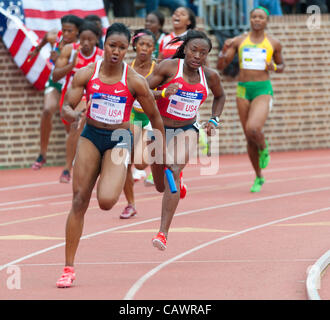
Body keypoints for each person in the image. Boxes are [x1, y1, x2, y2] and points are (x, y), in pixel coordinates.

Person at [56, 23, 169, 288]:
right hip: (91, 136)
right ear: (103, 45)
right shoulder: (86, 74)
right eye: (111, 46)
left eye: (121, 47)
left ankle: (125, 167)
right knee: (79, 199)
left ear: (127, 49)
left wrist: (161, 150)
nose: (116, 52)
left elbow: (155, 117)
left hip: (120, 139)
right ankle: (68, 267)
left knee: (106, 201)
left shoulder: (134, 81)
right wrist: (74, 115)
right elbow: (67, 107)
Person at [147, 30, 226, 251]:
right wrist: (162, 93)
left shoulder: (209, 76)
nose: (198, 56)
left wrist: (214, 120)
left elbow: (220, 95)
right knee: (161, 186)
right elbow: (142, 89)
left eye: (203, 52)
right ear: (185, 49)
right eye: (194, 50)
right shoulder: (169, 67)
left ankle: (162, 233)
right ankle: (177, 182)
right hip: (159, 129)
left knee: (172, 168)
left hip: (187, 128)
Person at [217, 6, 285, 193]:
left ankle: (263, 147)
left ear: (266, 21)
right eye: (254, 16)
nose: (257, 20)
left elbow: (282, 66)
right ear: (250, 19)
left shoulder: (274, 42)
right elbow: (222, 65)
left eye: (261, 17)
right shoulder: (240, 41)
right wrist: (224, 51)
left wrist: (274, 67)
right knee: (248, 137)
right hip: (243, 90)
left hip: (262, 89)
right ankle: (258, 176)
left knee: (253, 128)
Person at [52, 21, 104, 183]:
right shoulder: (70, 50)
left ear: (97, 39)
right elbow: (55, 76)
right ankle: (76, 157)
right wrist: (71, 65)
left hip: (90, 97)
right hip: (69, 96)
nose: (86, 43)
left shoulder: (101, 56)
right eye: (83, 39)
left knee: (77, 123)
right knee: (72, 131)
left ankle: (67, 169)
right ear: (78, 38)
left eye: (90, 39)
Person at [31, 15, 83, 171]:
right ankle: (42, 153)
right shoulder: (57, 37)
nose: (66, 34)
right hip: (55, 82)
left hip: (71, 85)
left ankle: (74, 157)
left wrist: (60, 57)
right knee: (47, 110)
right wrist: (37, 50)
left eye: (70, 31)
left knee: (69, 125)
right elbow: (47, 37)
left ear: (78, 32)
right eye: (64, 30)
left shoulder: (79, 47)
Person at [120, 29, 157, 219]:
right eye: (141, 44)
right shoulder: (127, 68)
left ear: (153, 49)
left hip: (149, 119)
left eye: (149, 45)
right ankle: (130, 204)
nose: (144, 48)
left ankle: (154, 155)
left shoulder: (158, 69)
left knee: (141, 165)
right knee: (125, 161)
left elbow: (161, 94)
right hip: (131, 116)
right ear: (135, 46)